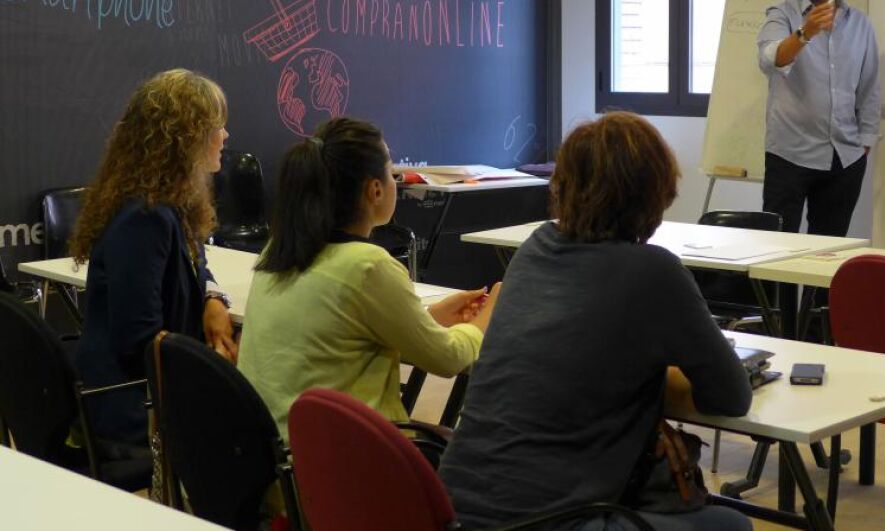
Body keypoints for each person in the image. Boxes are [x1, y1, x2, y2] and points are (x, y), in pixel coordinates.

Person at [439, 111, 753, 531]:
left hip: (453, 510)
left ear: (562, 186)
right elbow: (732, 397)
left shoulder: (534, 250)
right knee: (731, 525)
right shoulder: (655, 272)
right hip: (553, 522)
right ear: (655, 194)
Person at [236, 117, 498, 441]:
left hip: (280, 455)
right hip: (346, 458)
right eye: (391, 173)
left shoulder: (279, 251)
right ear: (374, 190)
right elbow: (449, 359)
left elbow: (339, 335)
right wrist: (489, 315)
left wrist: (428, 319)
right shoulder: (368, 266)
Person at [71, 68, 238, 445]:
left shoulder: (167, 205)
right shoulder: (145, 218)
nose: (225, 136)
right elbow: (139, 340)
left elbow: (197, 263)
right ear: (186, 139)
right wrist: (212, 368)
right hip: (134, 407)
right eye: (217, 127)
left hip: (150, 389)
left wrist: (213, 298)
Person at [756, 0, 881, 338]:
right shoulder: (783, 14)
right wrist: (805, 33)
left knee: (827, 255)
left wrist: (865, 140)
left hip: (843, 157)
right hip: (789, 154)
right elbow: (770, 58)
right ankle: (778, 334)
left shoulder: (860, 25)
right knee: (779, 251)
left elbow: (869, 87)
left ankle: (815, 337)